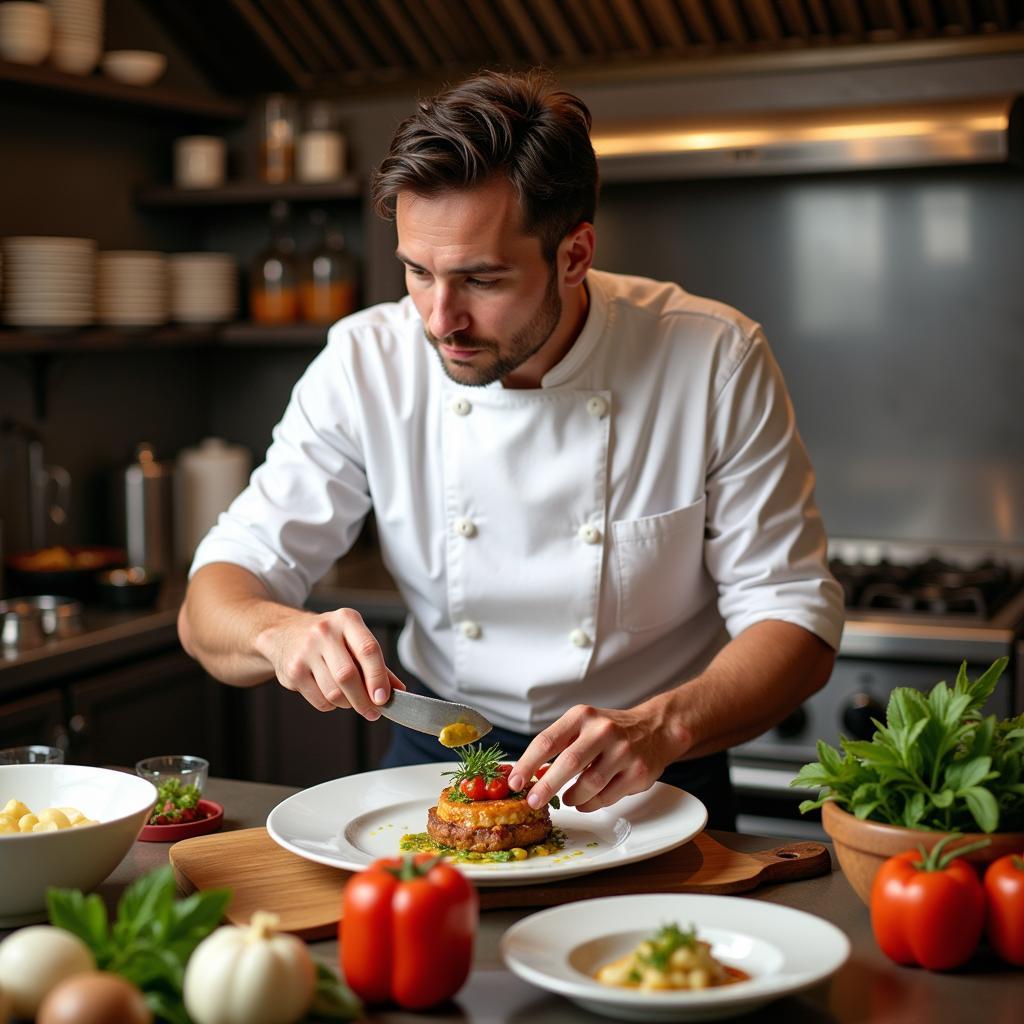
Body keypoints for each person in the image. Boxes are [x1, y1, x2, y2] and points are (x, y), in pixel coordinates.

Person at [178, 70, 843, 829]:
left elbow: (797, 621)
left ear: (575, 253)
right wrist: (281, 631)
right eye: (417, 272)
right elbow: (209, 607)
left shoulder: (713, 357)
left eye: (480, 279)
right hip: (439, 764)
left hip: (655, 771)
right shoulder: (367, 361)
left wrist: (662, 728)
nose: (439, 318)